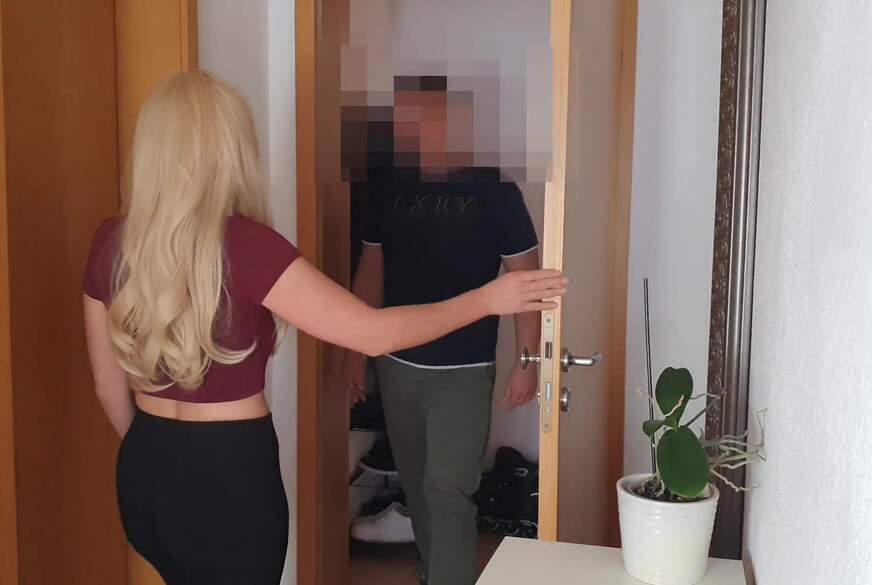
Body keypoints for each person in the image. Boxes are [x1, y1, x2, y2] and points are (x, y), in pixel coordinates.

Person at [82, 70, 565, 585]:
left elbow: (108, 388)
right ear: (229, 149)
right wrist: (487, 299)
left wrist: (158, 456)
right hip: (227, 477)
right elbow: (373, 333)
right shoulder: (248, 245)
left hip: (145, 468)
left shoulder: (111, 242)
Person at [341, 75, 542, 585]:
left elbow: (525, 281)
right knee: (417, 485)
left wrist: (528, 360)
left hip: (465, 369)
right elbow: (371, 272)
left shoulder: (495, 192)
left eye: (431, 116)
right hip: (396, 362)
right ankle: (433, 571)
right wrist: (354, 352)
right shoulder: (386, 187)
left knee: (448, 486)